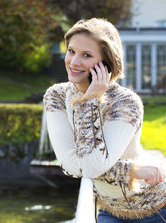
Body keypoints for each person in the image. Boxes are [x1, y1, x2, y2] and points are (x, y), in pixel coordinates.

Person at [43, 18, 166, 223]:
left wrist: (90, 99)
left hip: (155, 209)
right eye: (71, 51)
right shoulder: (55, 97)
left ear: (106, 63)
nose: (74, 62)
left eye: (86, 55)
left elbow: (91, 166)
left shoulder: (126, 103)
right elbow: (71, 165)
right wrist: (132, 171)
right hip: (110, 210)